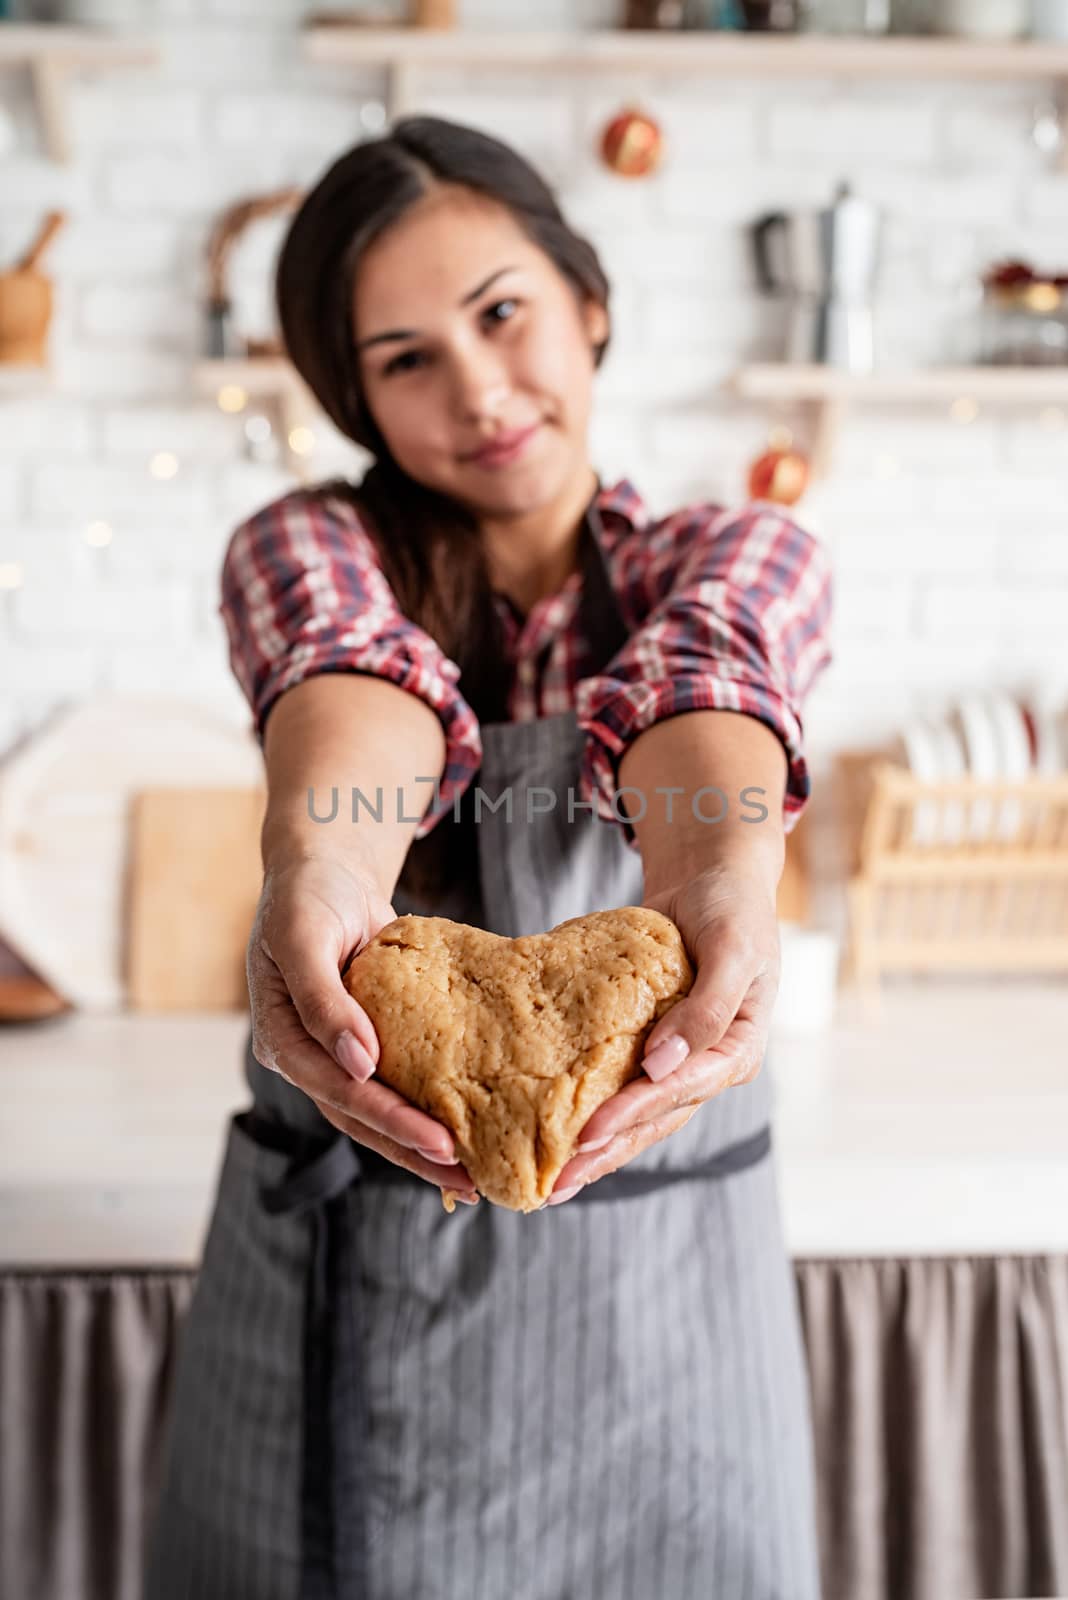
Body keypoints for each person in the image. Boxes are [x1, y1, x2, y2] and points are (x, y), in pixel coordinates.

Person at [144, 115, 833, 1600]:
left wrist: (715, 884)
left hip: (669, 1339)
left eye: (500, 313)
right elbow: (354, 685)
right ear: (355, 400)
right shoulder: (303, 547)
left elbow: (709, 684)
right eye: (403, 359)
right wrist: (324, 873)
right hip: (346, 1322)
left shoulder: (735, 555)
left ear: (587, 299)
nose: (476, 389)